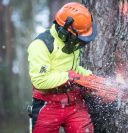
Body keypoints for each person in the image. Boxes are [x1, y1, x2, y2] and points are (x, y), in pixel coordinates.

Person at [27, 2, 97, 133]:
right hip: (47, 104)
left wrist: (89, 77)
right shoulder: (41, 45)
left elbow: (74, 68)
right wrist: (69, 77)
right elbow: (39, 80)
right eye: (78, 38)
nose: (79, 43)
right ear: (65, 31)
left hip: (74, 101)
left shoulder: (73, 43)